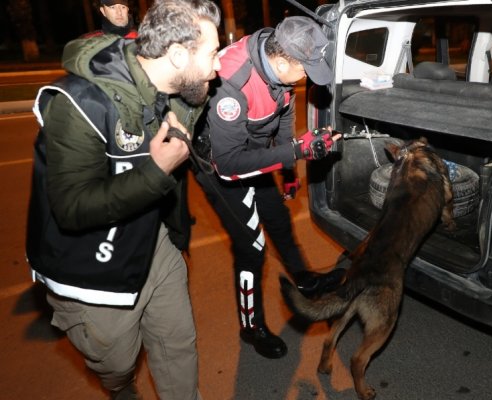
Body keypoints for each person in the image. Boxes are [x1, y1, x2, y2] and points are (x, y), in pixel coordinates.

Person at [25, 0, 221, 398]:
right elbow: (71, 208)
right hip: (92, 272)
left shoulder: (178, 91)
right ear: (178, 54)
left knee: (178, 347)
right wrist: (156, 171)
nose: (218, 68)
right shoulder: (81, 103)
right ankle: (121, 389)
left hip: (154, 244)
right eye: (213, 53)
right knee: (116, 365)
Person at [192, 16, 345, 359]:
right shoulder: (232, 84)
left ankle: (304, 279)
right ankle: (251, 326)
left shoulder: (277, 59)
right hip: (219, 165)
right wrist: (296, 152)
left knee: (277, 218)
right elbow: (229, 166)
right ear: (281, 61)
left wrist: (289, 168)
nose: (306, 77)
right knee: (252, 249)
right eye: (305, 69)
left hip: (253, 150)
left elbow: (285, 111)